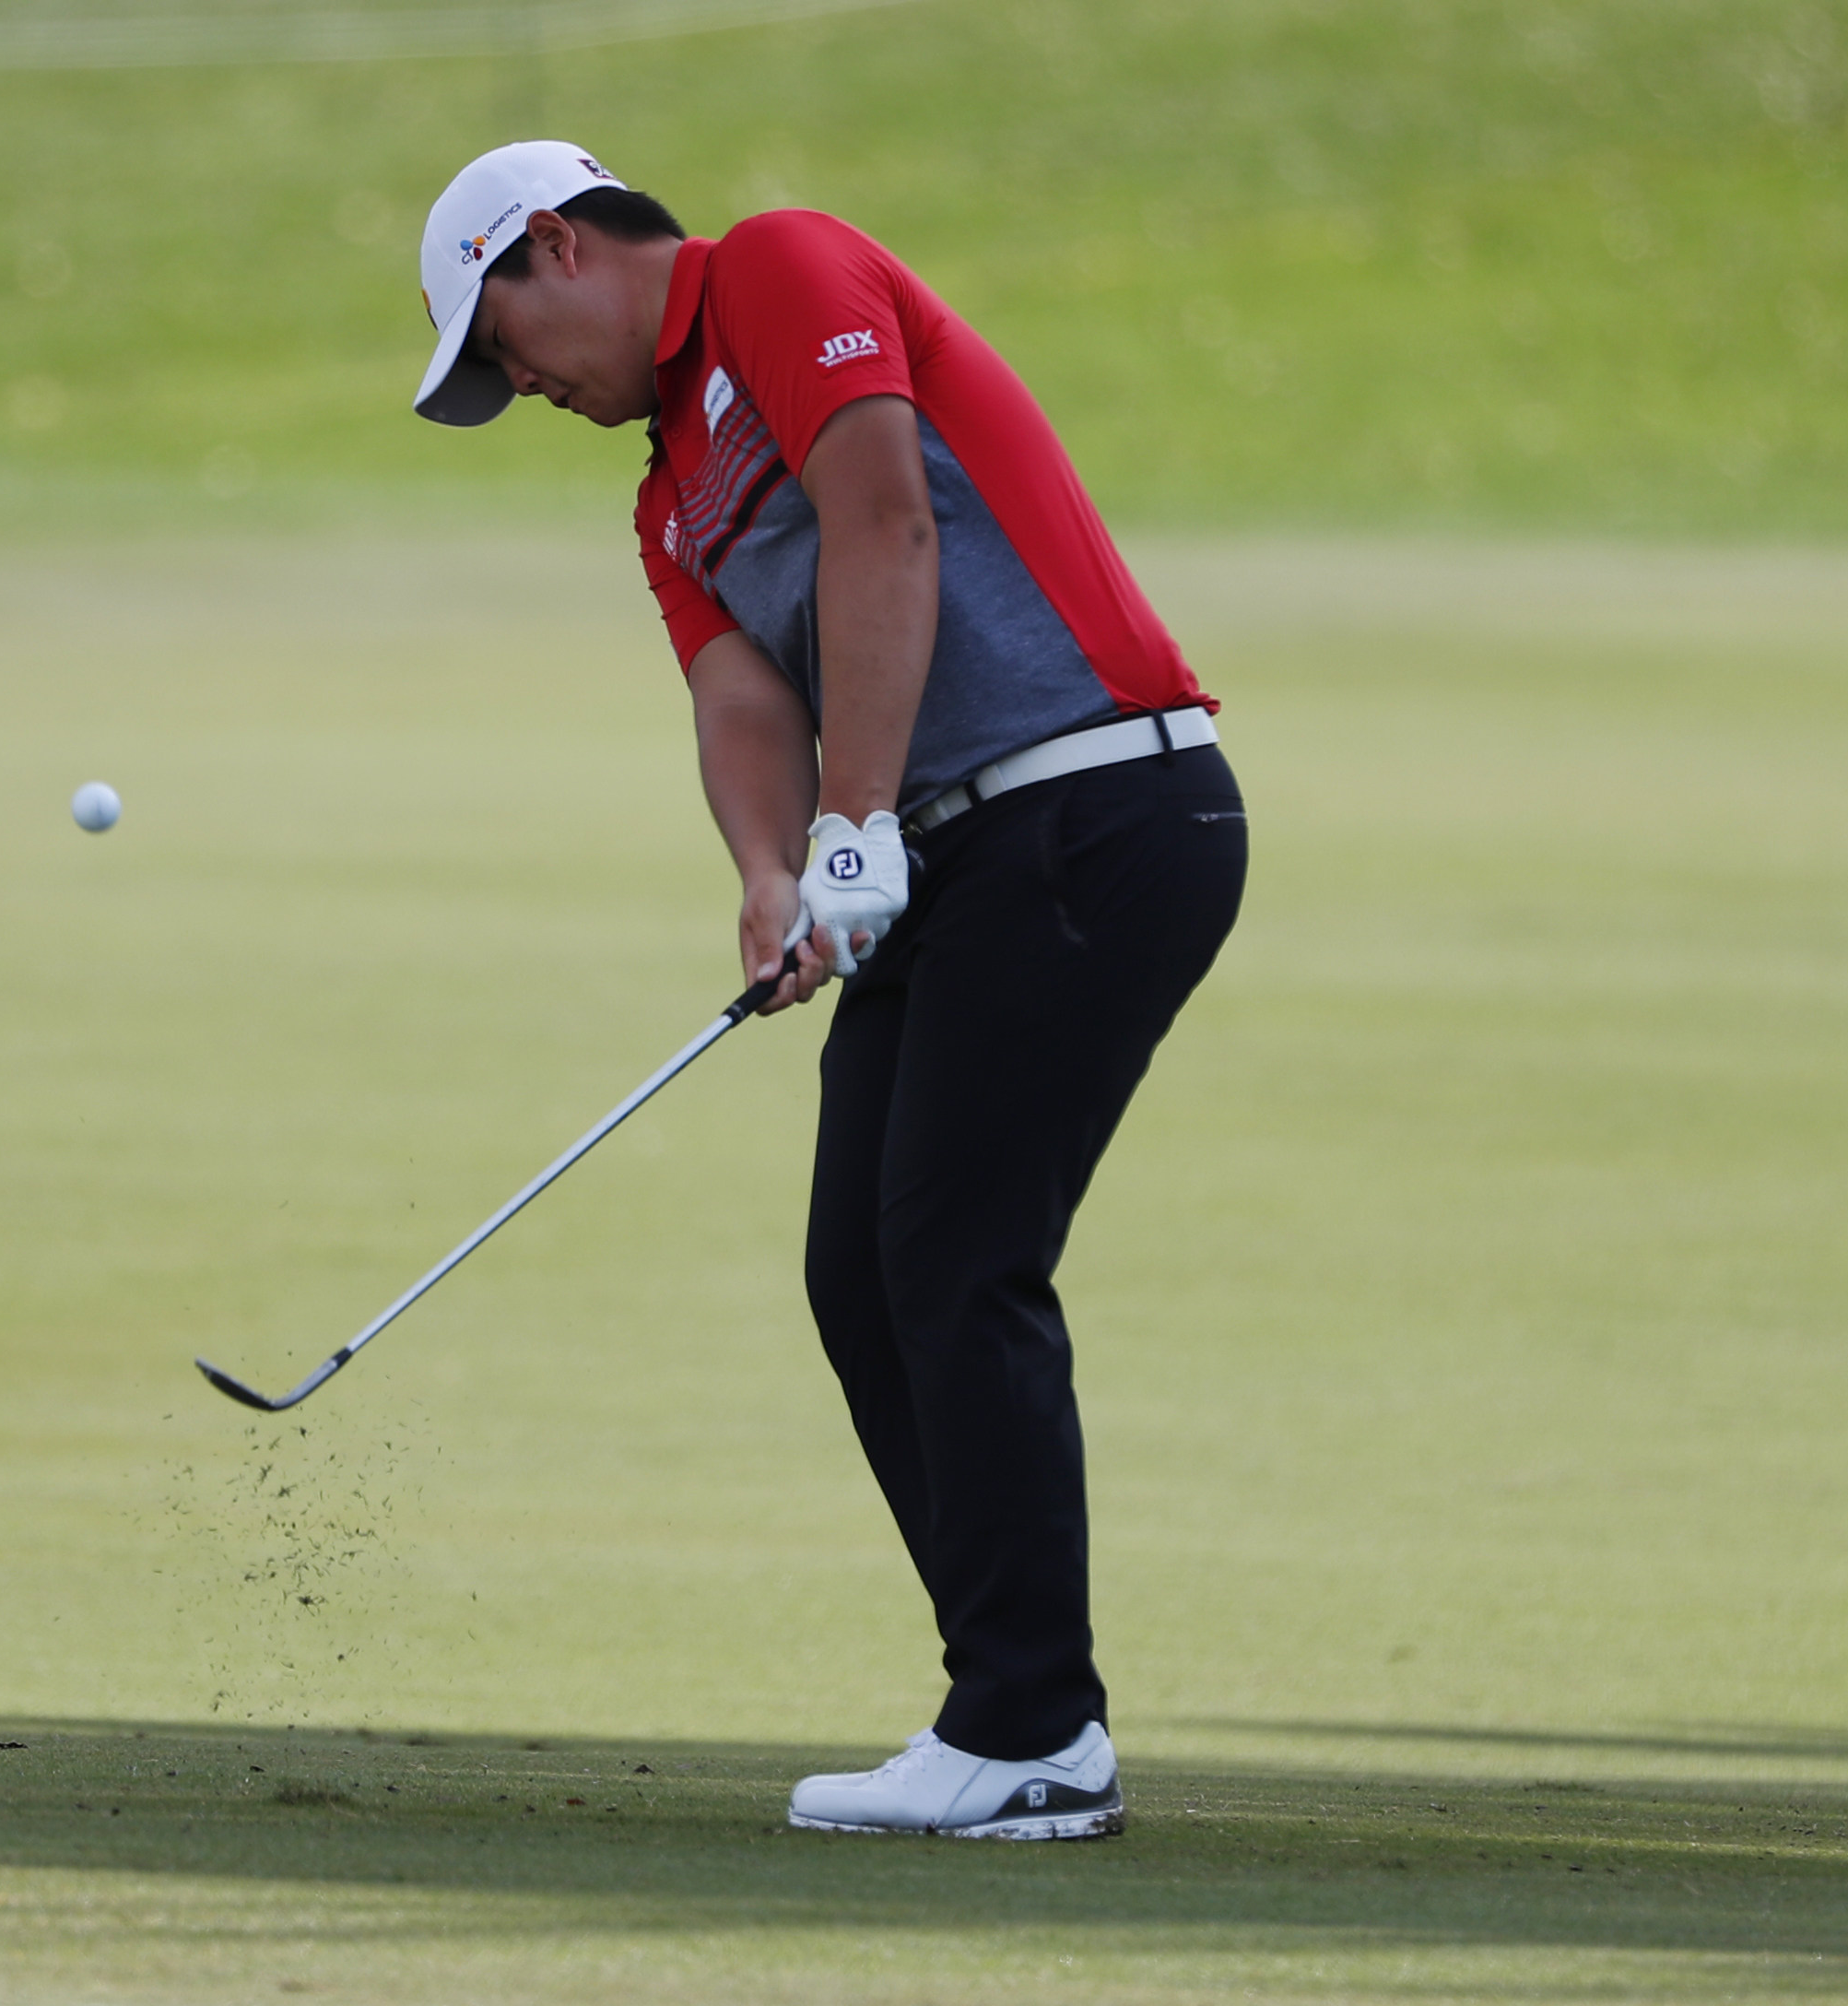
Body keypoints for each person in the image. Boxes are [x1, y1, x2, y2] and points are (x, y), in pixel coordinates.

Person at [410, 142, 1246, 1840]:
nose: (526, 389)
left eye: (504, 345)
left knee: (951, 1252)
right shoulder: (666, 500)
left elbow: (883, 524)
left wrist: (859, 824)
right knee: (862, 1273)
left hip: (1094, 802)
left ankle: (1025, 1729)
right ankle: (1027, 1714)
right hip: (945, 855)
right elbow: (736, 702)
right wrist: (781, 874)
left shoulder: (780, 269)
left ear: (556, 246)